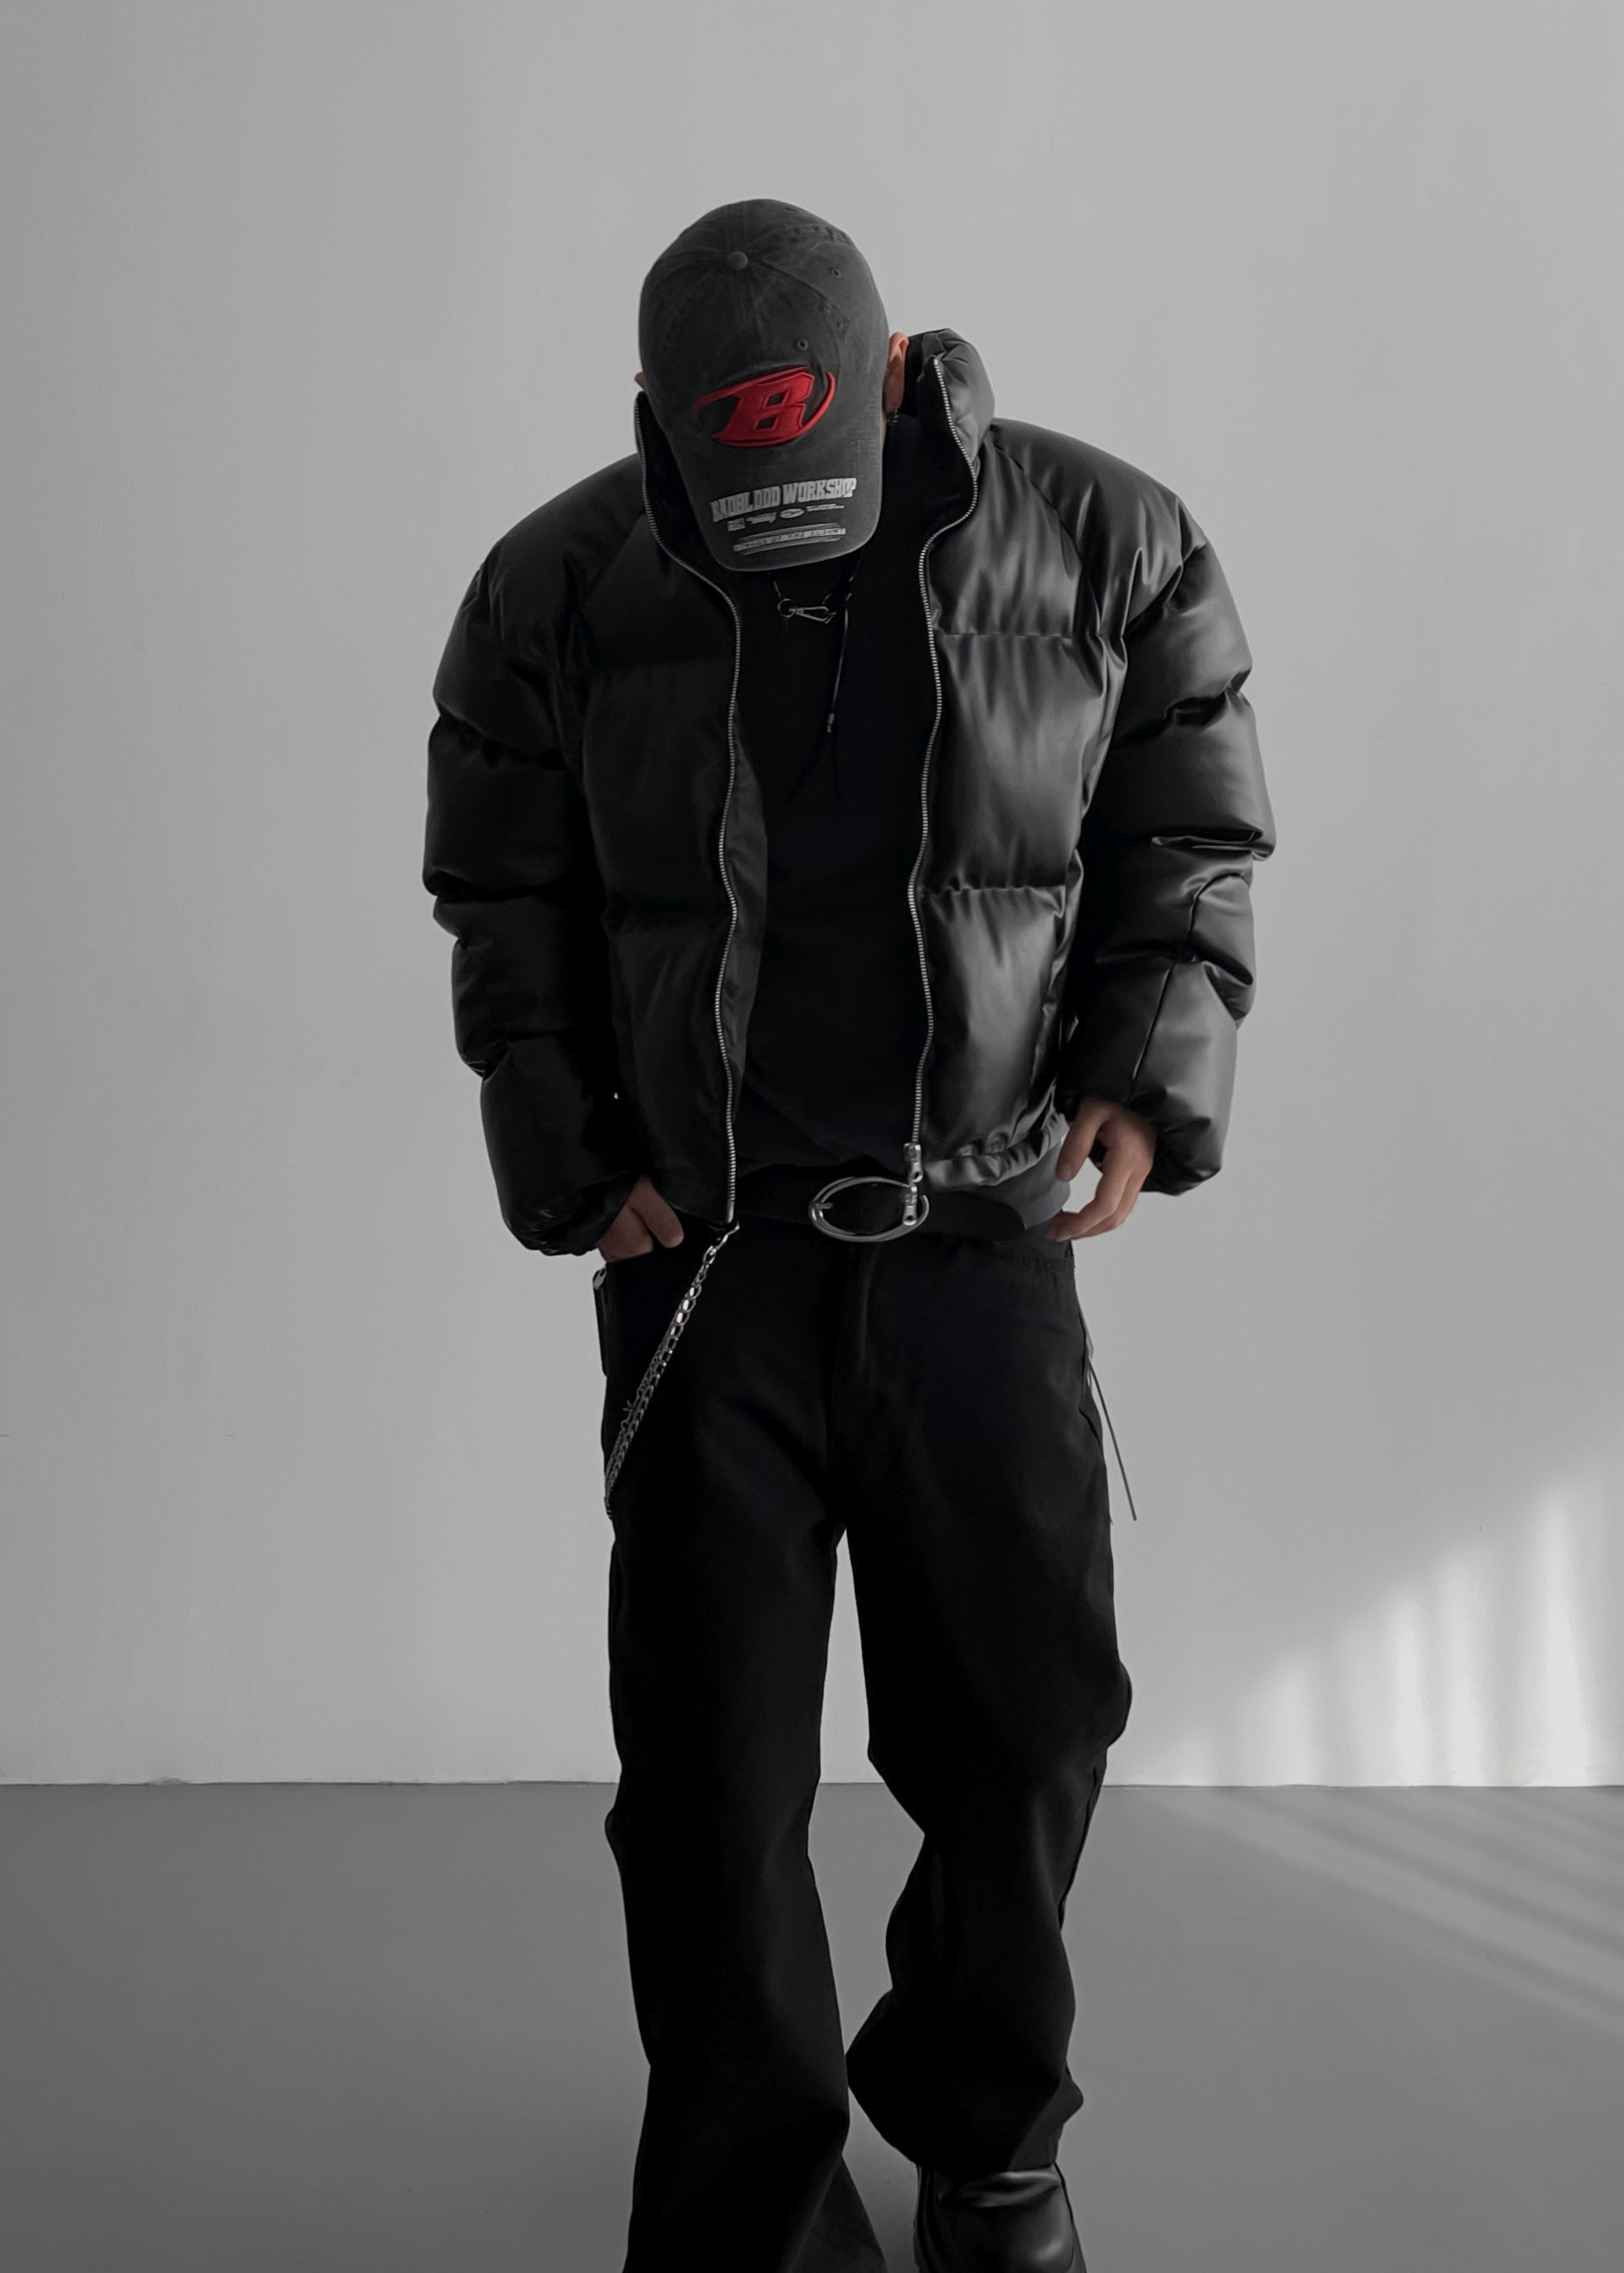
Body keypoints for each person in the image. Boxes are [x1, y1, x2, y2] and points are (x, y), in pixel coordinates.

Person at [424, 198, 1273, 2273]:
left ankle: (990, 2142)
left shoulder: (1112, 542)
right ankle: (750, 2208)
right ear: (657, 423)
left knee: (1025, 1733)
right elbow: (501, 889)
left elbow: (1186, 818)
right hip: (706, 1266)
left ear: (898, 377)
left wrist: (1146, 1071)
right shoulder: (553, 587)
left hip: (980, 1235)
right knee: (710, 1786)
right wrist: (566, 1153)